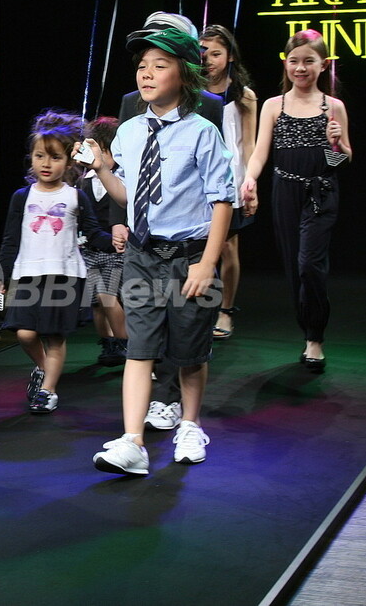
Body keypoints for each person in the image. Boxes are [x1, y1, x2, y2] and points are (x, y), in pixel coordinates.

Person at [79, 27, 234, 474]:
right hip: (143, 255)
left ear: (183, 74)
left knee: (190, 351)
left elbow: (222, 200)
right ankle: (132, 440)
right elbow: (129, 196)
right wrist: (102, 169)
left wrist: (207, 263)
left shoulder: (202, 132)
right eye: (142, 66)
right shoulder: (128, 131)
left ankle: (190, 424)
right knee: (139, 348)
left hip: (190, 256)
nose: (146, 74)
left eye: (159, 66)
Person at [240, 29, 351, 372]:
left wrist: (335, 144)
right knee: (293, 267)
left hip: (321, 192)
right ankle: (307, 331)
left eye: (309, 61)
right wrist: (250, 178)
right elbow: (260, 152)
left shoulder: (333, 107)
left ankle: (315, 338)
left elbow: (343, 160)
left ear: (324, 65)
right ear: (286, 64)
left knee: (309, 265)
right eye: (294, 61)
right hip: (285, 191)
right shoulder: (274, 105)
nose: (300, 68)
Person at [0, 110, 113, 414]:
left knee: (54, 338)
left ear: (69, 162)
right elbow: (10, 240)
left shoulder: (75, 197)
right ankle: (45, 370)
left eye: (55, 157)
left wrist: (117, 239)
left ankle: (48, 391)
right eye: (40, 156)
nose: (46, 164)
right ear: (31, 158)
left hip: (64, 275)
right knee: (24, 333)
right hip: (27, 274)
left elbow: (93, 234)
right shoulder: (22, 197)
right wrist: (0, 277)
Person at [200, 24, 258, 340]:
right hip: (196, 179)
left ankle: (226, 310)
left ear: (230, 56)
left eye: (216, 53)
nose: (208, 59)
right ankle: (197, 309)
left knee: (226, 246)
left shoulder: (243, 96)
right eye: (203, 53)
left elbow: (248, 144)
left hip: (229, 179)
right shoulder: (191, 91)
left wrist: (250, 183)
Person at [78, 116, 128, 366]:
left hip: (114, 250)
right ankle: (108, 343)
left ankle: (125, 343)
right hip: (89, 250)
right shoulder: (82, 182)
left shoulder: (123, 180)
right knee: (96, 302)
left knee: (108, 296)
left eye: (105, 151)